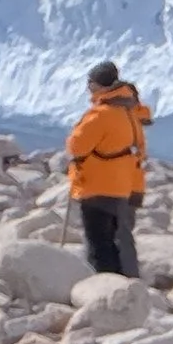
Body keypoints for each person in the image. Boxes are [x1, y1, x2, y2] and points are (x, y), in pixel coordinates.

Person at [65, 57, 148, 278]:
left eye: (90, 83)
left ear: (98, 85)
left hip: (99, 184)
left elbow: (77, 146)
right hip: (126, 184)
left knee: (99, 241)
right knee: (120, 237)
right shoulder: (130, 111)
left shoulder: (101, 114)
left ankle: (103, 285)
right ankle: (128, 279)